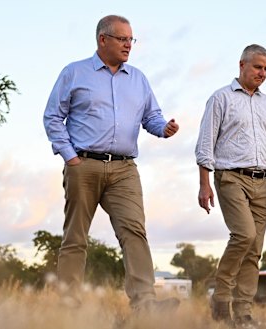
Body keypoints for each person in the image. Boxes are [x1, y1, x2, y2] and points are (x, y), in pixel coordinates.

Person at [43, 15, 180, 312]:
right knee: (76, 236)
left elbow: (151, 117)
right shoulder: (74, 73)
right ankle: (68, 304)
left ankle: (144, 303)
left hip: (124, 170)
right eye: (122, 38)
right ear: (102, 39)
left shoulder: (139, 78)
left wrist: (163, 128)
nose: (128, 44)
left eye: (131, 39)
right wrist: (70, 157)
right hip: (84, 165)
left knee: (134, 232)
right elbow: (53, 116)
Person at [195, 44, 266, 327]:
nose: (262, 73)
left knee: (254, 250)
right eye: (257, 67)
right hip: (230, 177)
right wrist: (205, 184)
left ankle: (243, 314)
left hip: (262, 182)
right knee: (244, 235)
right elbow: (205, 144)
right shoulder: (220, 98)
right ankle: (221, 297)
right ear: (242, 65)